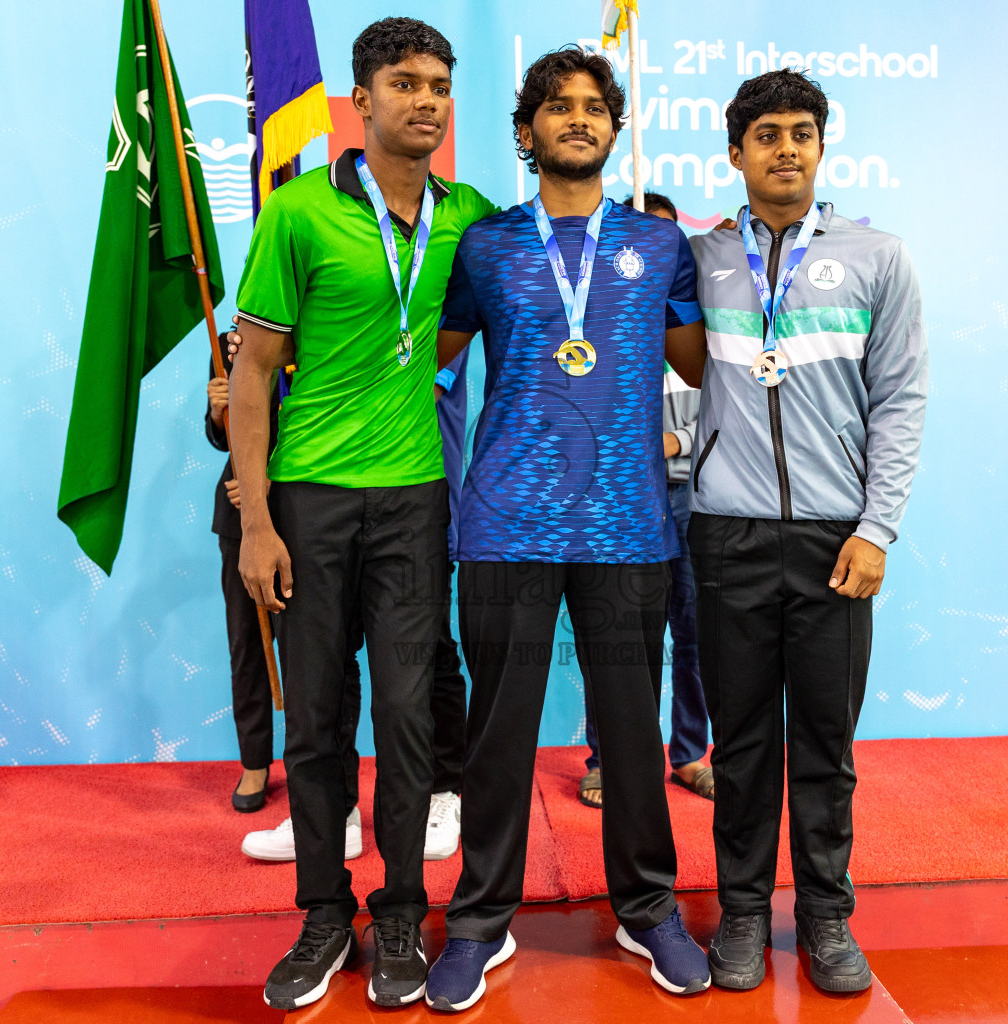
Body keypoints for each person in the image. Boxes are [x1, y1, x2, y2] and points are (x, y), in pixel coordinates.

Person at [421, 48, 710, 1013]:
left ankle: (648, 908)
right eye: (557, 106)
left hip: (629, 526)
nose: (577, 119)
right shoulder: (485, 245)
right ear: (527, 130)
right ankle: (479, 921)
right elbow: (426, 360)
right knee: (498, 737)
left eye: (594, 107)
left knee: (631, 735)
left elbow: (702, 364)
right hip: (506, 522)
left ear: (615, 130)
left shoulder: (661, 247)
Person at [227, 18, 496, 1010]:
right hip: (309, 499)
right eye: (404, 83)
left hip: (415, 498)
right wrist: (257, 520)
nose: (425, 100)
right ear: (362, 99)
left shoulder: (469, 215)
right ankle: (322, 913)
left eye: (439, 85)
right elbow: (252, 372)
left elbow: (460, 326)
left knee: (408, 715)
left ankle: (401, 913)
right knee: (318, 717)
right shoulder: (297, 213)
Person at [687, 69, 927, 994]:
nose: (785, 148)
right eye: (767, 134)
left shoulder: (878, 256)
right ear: (735, 151)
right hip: (728, 535)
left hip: (836, 543)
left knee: (826, 744)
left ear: (822, 146)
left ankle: (826, 917)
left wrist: (878, 528)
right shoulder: (701, 258)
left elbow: (899, 401)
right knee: (742, 745)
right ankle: (743, 913)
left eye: (801, 132)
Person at [233, 345, 472, 864]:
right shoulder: (312, 324)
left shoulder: (425, 310)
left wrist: (297, 357)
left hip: (412, 504)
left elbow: (396, 390)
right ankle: (333, 811)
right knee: (328, 662)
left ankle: (441, 792)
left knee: (426, 657)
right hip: (322, 503)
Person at [579, 192, 712, 811]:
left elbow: (728, 409)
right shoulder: (596, 324)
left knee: (694, 634)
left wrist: (673, 440)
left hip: (688, 497)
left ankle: (688, 754)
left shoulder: (694, 326)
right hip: (622, 503)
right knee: (617, 640)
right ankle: (609, 759)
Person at [207, 351, 363, 830]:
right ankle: (254, 762)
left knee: (322, 656)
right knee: (247, 646)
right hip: (242, 518)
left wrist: (271, 481)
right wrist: (218, 412)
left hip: (312, 512)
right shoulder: (230, 343)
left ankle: (332, 787)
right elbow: (223, 437)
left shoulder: (318, 336)